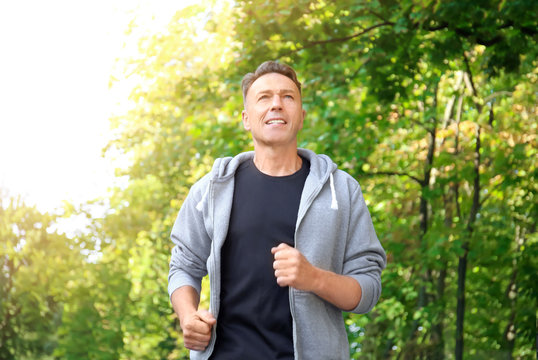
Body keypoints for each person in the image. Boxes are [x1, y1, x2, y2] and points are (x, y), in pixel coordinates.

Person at [168, 61, 386, 359]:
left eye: (288, 97)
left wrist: (314, 278)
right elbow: (183, 265)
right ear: (247, 118)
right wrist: (187, 315)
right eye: (264, 97)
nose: (276, 105)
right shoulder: (211, 190)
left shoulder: (342, 190)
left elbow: (368, 289)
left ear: (302, 116)